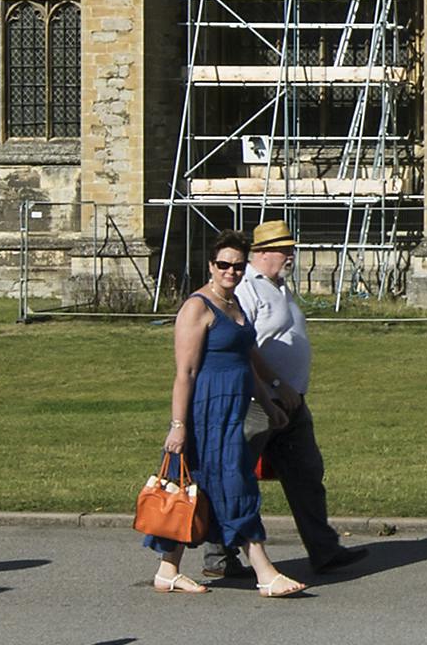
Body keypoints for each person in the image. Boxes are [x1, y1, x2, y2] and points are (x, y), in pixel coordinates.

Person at [195, 220, 354, 586]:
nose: (291, 256)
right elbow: (242, 348)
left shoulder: (276, 287)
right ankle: (219, 554)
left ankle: (324, 549)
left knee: (307, 473)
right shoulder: (246, 289)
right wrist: (275, 387)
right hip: (257, 400)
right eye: (285, 250)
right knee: (233, 475)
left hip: (290, 400)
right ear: (263, 254)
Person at [157, 235, 311, 600]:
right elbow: (185, 373)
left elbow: (245, 361)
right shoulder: (197, 307)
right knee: (234, 483)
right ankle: (265, 572)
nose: (231, 271)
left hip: (233, 408)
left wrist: (269, 400)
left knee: (200, 488)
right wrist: (178, 426)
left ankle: (168, 570)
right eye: (223, 265)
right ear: (210, 266)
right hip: (206, 413)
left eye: (238, 265)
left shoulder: (234, 302)